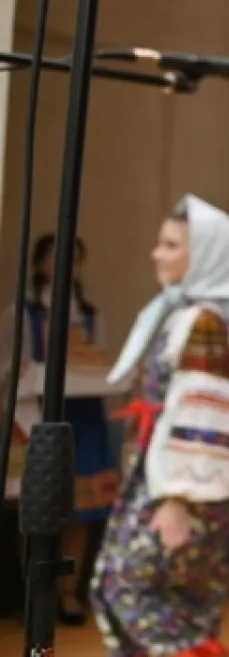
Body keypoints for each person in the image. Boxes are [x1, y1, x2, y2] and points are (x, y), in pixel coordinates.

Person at [93, 196, 229, 657]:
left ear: (205, 256)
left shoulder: (202, 324)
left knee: (124, 581)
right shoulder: (188, 316)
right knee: (183, 594)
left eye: (171, 245)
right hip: (173, 477)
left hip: (183, 483)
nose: (156, 254)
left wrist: (176, 498)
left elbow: (203, 415)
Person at [3, 234, 120, 624]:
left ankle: (70, 594)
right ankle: (36, 591)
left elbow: (100, 363)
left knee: (82, 509)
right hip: (39, 413)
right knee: (39, 508)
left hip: (84, 413)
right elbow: (6, 361)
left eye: (75, 260)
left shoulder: (90, 315)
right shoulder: (22, 312)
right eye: (57, 259)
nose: (67, 267)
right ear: (40, 264)